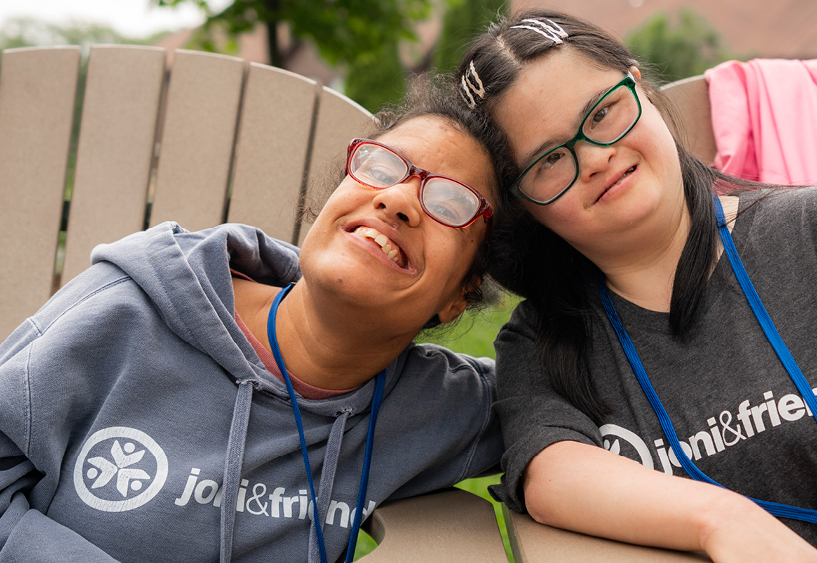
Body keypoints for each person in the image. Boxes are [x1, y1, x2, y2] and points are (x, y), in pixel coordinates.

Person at [453, 10, 817, 563]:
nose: (595, 158)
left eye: (602, 112)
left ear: (638, 87)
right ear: (524, 206)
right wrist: (722, 519)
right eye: (549, 160)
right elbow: (549, 472)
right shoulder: (546, 344)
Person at [0, 83, 512, 563]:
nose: (397, 199)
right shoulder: (126, 313)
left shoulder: (444, 410)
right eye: (380, 167)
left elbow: (577, 387)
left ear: (459, 297)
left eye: (451, 204)